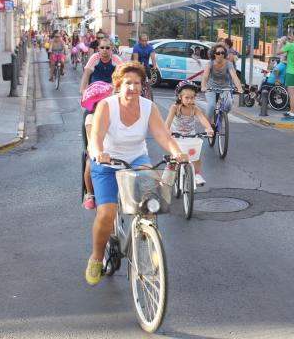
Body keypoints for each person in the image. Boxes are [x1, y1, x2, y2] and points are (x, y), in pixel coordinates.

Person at [85, 61, 188, 286]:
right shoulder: (107, 105)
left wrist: (177, 152)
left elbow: (162, 135)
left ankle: (149, 245)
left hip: (136, 158)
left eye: (137, 83)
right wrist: (99, 152)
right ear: (118, 85)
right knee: (107, 212)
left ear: (142, 86)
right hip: (108, 161)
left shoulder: (148, 107)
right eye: (128, 83)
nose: (132, 87)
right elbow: (96, 137)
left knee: (149, 205)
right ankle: (96, 257)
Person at [165, 80, 214, 186]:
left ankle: (196, 174)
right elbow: (168, 121)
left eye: (192, 97)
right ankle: (169, 172)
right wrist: (166, 131)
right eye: (186, 97)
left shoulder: (194, 109)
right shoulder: (175, 108)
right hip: (176, 135)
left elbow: (202, 119)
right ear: (180, 97)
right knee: (174, 156)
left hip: (190, 135)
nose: (189, 100)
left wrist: (209, 128)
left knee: (196, 155)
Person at [80, 81, 114, 210]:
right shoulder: (90, 118)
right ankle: (90, 194)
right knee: (89, 166)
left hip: (113, 148)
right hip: (95, 150)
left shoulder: (113, 114)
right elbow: (92, 137)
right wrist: (98, 151)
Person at [200, 43, 243, 121]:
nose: (221, 55)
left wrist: (239, 87)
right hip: (211, 88)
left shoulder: (228, 64)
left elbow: (234, 76)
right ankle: (208, 127)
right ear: (214, 54)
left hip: (225, 88)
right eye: (218, 53)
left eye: (223, 53)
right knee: (211, 106)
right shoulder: (210, 64)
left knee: (228, 105)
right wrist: (203, 86)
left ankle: (221, 117)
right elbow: (205, 76)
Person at [276, 30, 294, 121]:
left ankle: (292, 114)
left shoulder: (290, 46)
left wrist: (281, 41)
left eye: (291, 35)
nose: (290, 36)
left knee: (292, 95)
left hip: (291, 73)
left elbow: (278, 52)